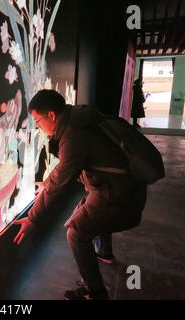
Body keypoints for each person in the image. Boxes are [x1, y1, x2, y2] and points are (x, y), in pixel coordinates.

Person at [13, 89, 147, 300]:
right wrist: (47, 183)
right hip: (122, 188)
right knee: (85, 212)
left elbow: (61, 180)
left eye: (37, 121)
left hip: (119, 195)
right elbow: (65, 169)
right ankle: (103, 252)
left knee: (76, 233)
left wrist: (32, 217)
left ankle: (94, 291)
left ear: (51, 116)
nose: (37, 127)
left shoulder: (73, 134)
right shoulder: (78, 120)